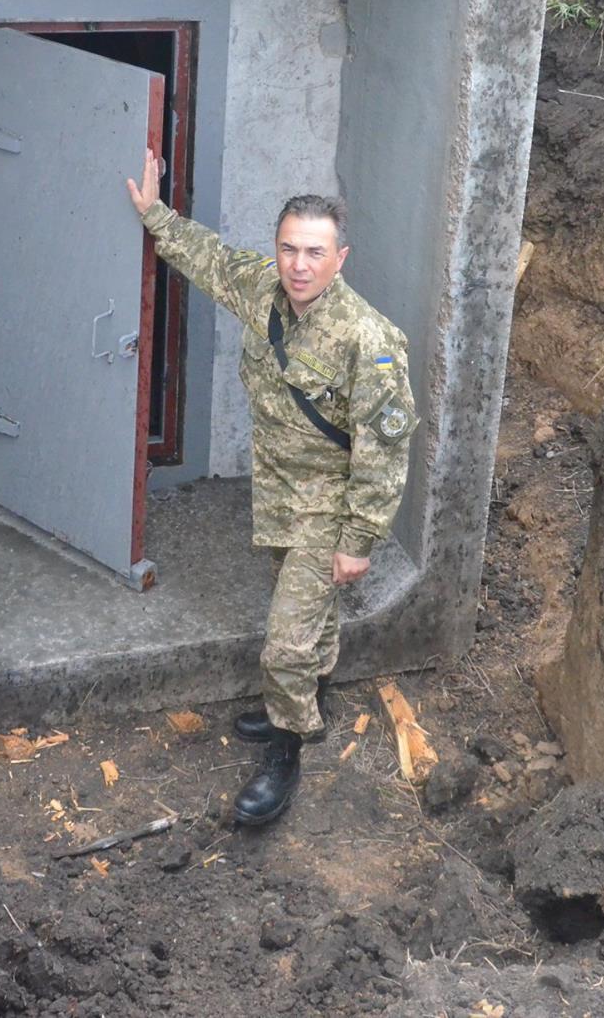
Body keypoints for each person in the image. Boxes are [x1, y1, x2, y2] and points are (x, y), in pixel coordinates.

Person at [125, 148, 417, 825]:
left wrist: (358, 540)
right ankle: (308, 702)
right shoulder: (264, 288)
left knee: (284, 640)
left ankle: (285, 755)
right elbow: (211, 260)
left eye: (314, 252)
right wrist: (154, 212)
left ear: (340, 257)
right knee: (307, 621)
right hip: (279, 494)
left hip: (331, 506)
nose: (299, 265)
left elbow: (385, 449)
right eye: (289, 249)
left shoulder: (368, 340)